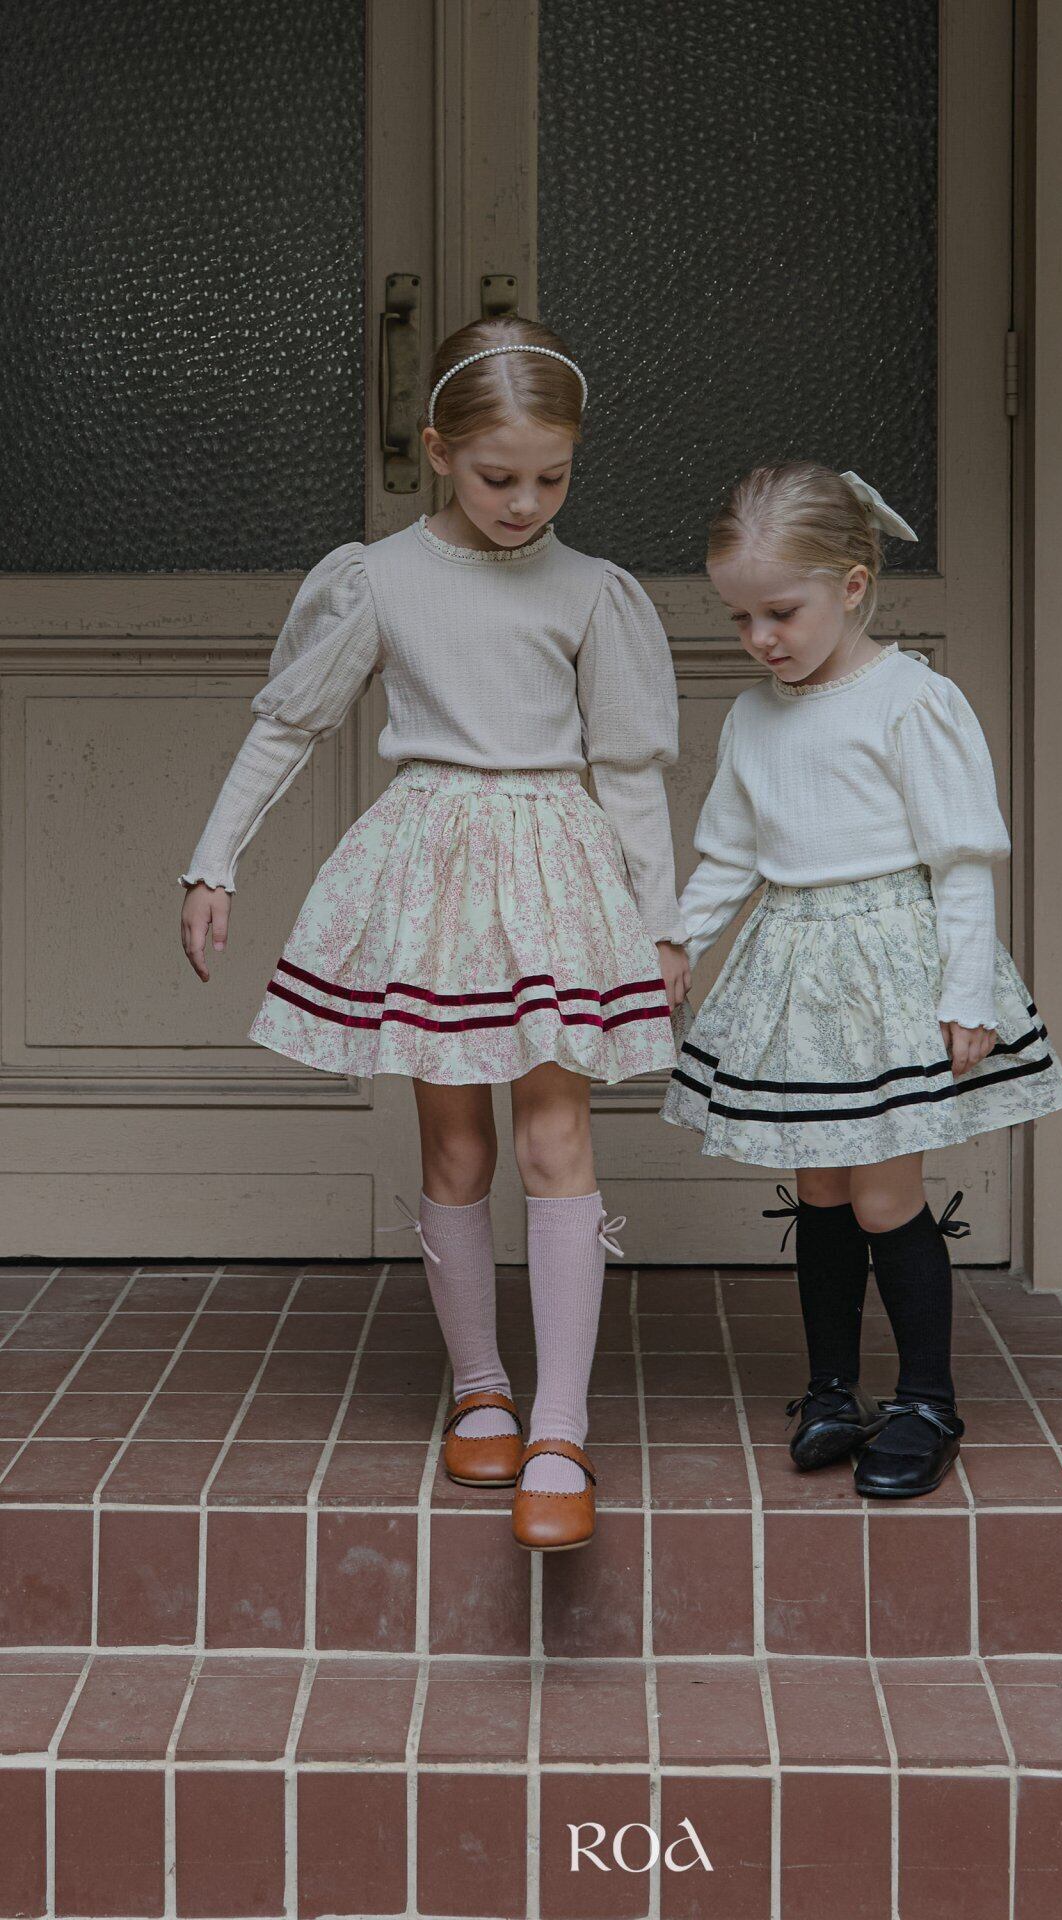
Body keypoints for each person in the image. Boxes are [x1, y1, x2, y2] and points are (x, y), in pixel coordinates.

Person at [180, 315, 690, 1550]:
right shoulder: (380, 579)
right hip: (434, 879)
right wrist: (213, 858)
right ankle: (481, 1389)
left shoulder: (592, 592)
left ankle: (559, 1427)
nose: (525, 504)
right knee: (456, 1146)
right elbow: (291, 722)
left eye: (552, 479)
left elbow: (628, 769)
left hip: (555, 874)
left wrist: (661, 923)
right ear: (438, 451)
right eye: (498, 476)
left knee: (557, 1136)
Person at [663, 462, 1062, 1497]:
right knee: (821, 1186)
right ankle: (831, 1391)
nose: (761, 637)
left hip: (893, 972)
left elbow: (960, 861)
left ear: (850, 586)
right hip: (796, 970)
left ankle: (925, 1399)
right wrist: (678, 941)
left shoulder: (912, 700)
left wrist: (964, 994)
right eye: (741, 617)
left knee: (886, 1194)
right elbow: (730, 852)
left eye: (780, 612)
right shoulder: (753, 716)